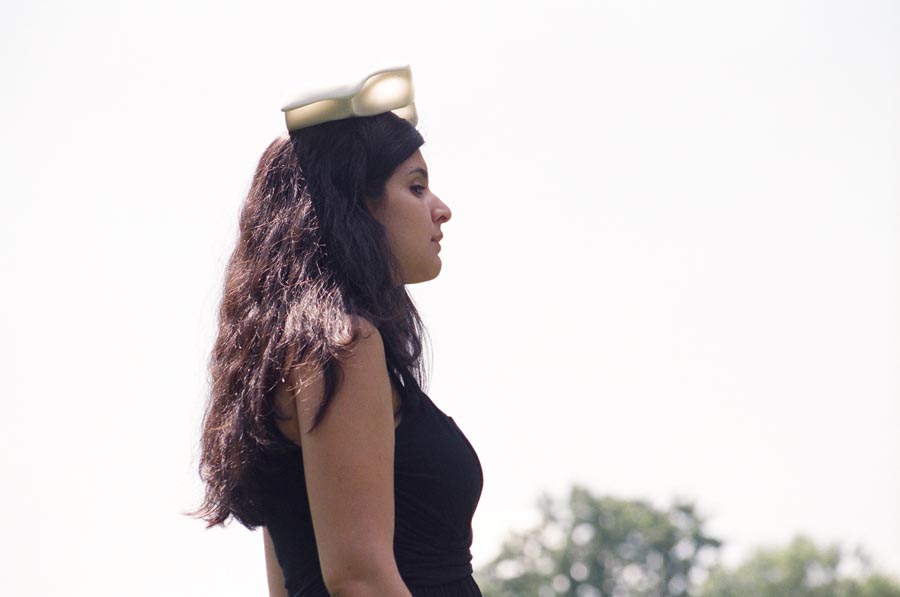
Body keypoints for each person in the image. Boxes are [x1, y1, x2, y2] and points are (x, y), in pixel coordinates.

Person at [194, 66, 484, 597]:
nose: (441, 209)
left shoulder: (299, 352)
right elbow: (358, 579)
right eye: (416, 187)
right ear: (353, 204)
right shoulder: (345, 346)